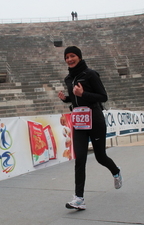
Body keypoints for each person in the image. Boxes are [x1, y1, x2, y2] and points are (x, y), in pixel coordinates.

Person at [58, 46, 122, 210]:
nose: (69, 59)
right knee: (80, 158)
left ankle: (115, 171)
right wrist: (66, 99)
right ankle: (79, 198)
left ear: (79, 57)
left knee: (100, 156)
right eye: (67, 57)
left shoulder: (91, 74)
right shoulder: (68, 78)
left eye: (72, 56)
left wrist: (83, 94)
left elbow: (103, 97)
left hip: (94, 118)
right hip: (79, 121)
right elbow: (75, 99)